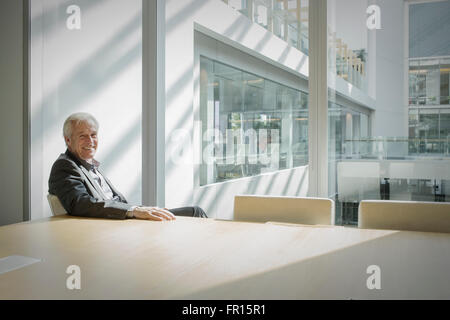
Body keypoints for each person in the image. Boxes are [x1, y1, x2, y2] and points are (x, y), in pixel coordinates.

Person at [48, 112, 207, 221]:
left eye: (93, 135)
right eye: (82, 136)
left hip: (125, 218)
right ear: (68, 140)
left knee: (193, 212)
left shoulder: (89, 166)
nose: (90, 141)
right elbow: (81, 203)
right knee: (194, 213)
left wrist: (137, 210)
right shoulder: (65, 166)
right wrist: (133, 211)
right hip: (116, 223)